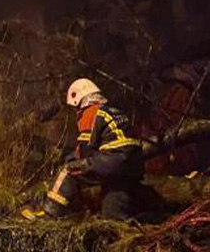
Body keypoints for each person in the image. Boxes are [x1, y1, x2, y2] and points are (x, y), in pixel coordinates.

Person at [22, 78, 147, 221]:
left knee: (70, 170)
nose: (76, 112)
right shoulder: (114, 112)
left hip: (112, 161)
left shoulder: (91, 112)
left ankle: (49, 213)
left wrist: (69, 161)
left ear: (79, 99)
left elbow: (85, 150)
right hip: (132, 166)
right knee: (112, 212)